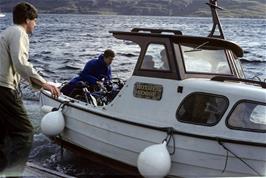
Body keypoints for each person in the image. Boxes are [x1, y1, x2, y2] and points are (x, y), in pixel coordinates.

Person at [0, 2, 60, 176]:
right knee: (25, 133)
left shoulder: (7, 32)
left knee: (3, 136)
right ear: (27, 20)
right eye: (35, 20)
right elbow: (21, 64)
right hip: (4, 89)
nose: (36, 24)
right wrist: (44, 83)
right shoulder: (19, 33)